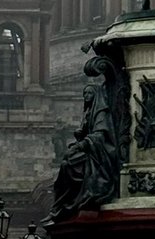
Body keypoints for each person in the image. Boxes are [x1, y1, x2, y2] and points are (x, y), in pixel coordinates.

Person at [48, 82, 118, 221]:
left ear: (96, 95)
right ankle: (61, 206)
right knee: (66, 165)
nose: (86, 96)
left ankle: (67, 205)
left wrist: (80, 145)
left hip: (99, 154)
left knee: (69, 166)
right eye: (84, 93)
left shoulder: (100, 112)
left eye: (89, 93)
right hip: (92, 150)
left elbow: (100, 136)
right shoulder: (90, 112)